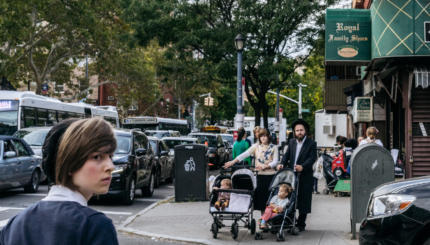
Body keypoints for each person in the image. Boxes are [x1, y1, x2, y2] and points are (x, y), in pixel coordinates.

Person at [0, 118, 119, 245]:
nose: (110, 166)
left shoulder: (15, 224)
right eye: (97, 157)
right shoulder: (94, 226)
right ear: (70, 162)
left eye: (110, 156)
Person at [224, 128, 278, 212]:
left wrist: (266, 166)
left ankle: (268, 218)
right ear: (259, 138)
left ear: (268, 137)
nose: (263, 138)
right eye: (261, 136)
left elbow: (275, 161)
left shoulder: (274, 147)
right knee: (262, 201)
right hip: (260, 176)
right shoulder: (256, 146)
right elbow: (245, 154)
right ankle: (263, 220)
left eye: (265, 136)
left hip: (271, 176)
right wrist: (233, 162)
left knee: (270, 199)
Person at [277, 119, 317, 232]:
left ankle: (301, 223)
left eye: (301, 130)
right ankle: (290, 220)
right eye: (297, 130)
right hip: (292, 174)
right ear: (294, 132)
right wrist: (281, 164)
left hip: (305, 174)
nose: (299, 132)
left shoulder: (311, 143)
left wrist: (303, 166)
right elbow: (287, 155)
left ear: (305, 131)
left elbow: (312, 158)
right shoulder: (292, 142)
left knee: (304, 198)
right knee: (290, 196)